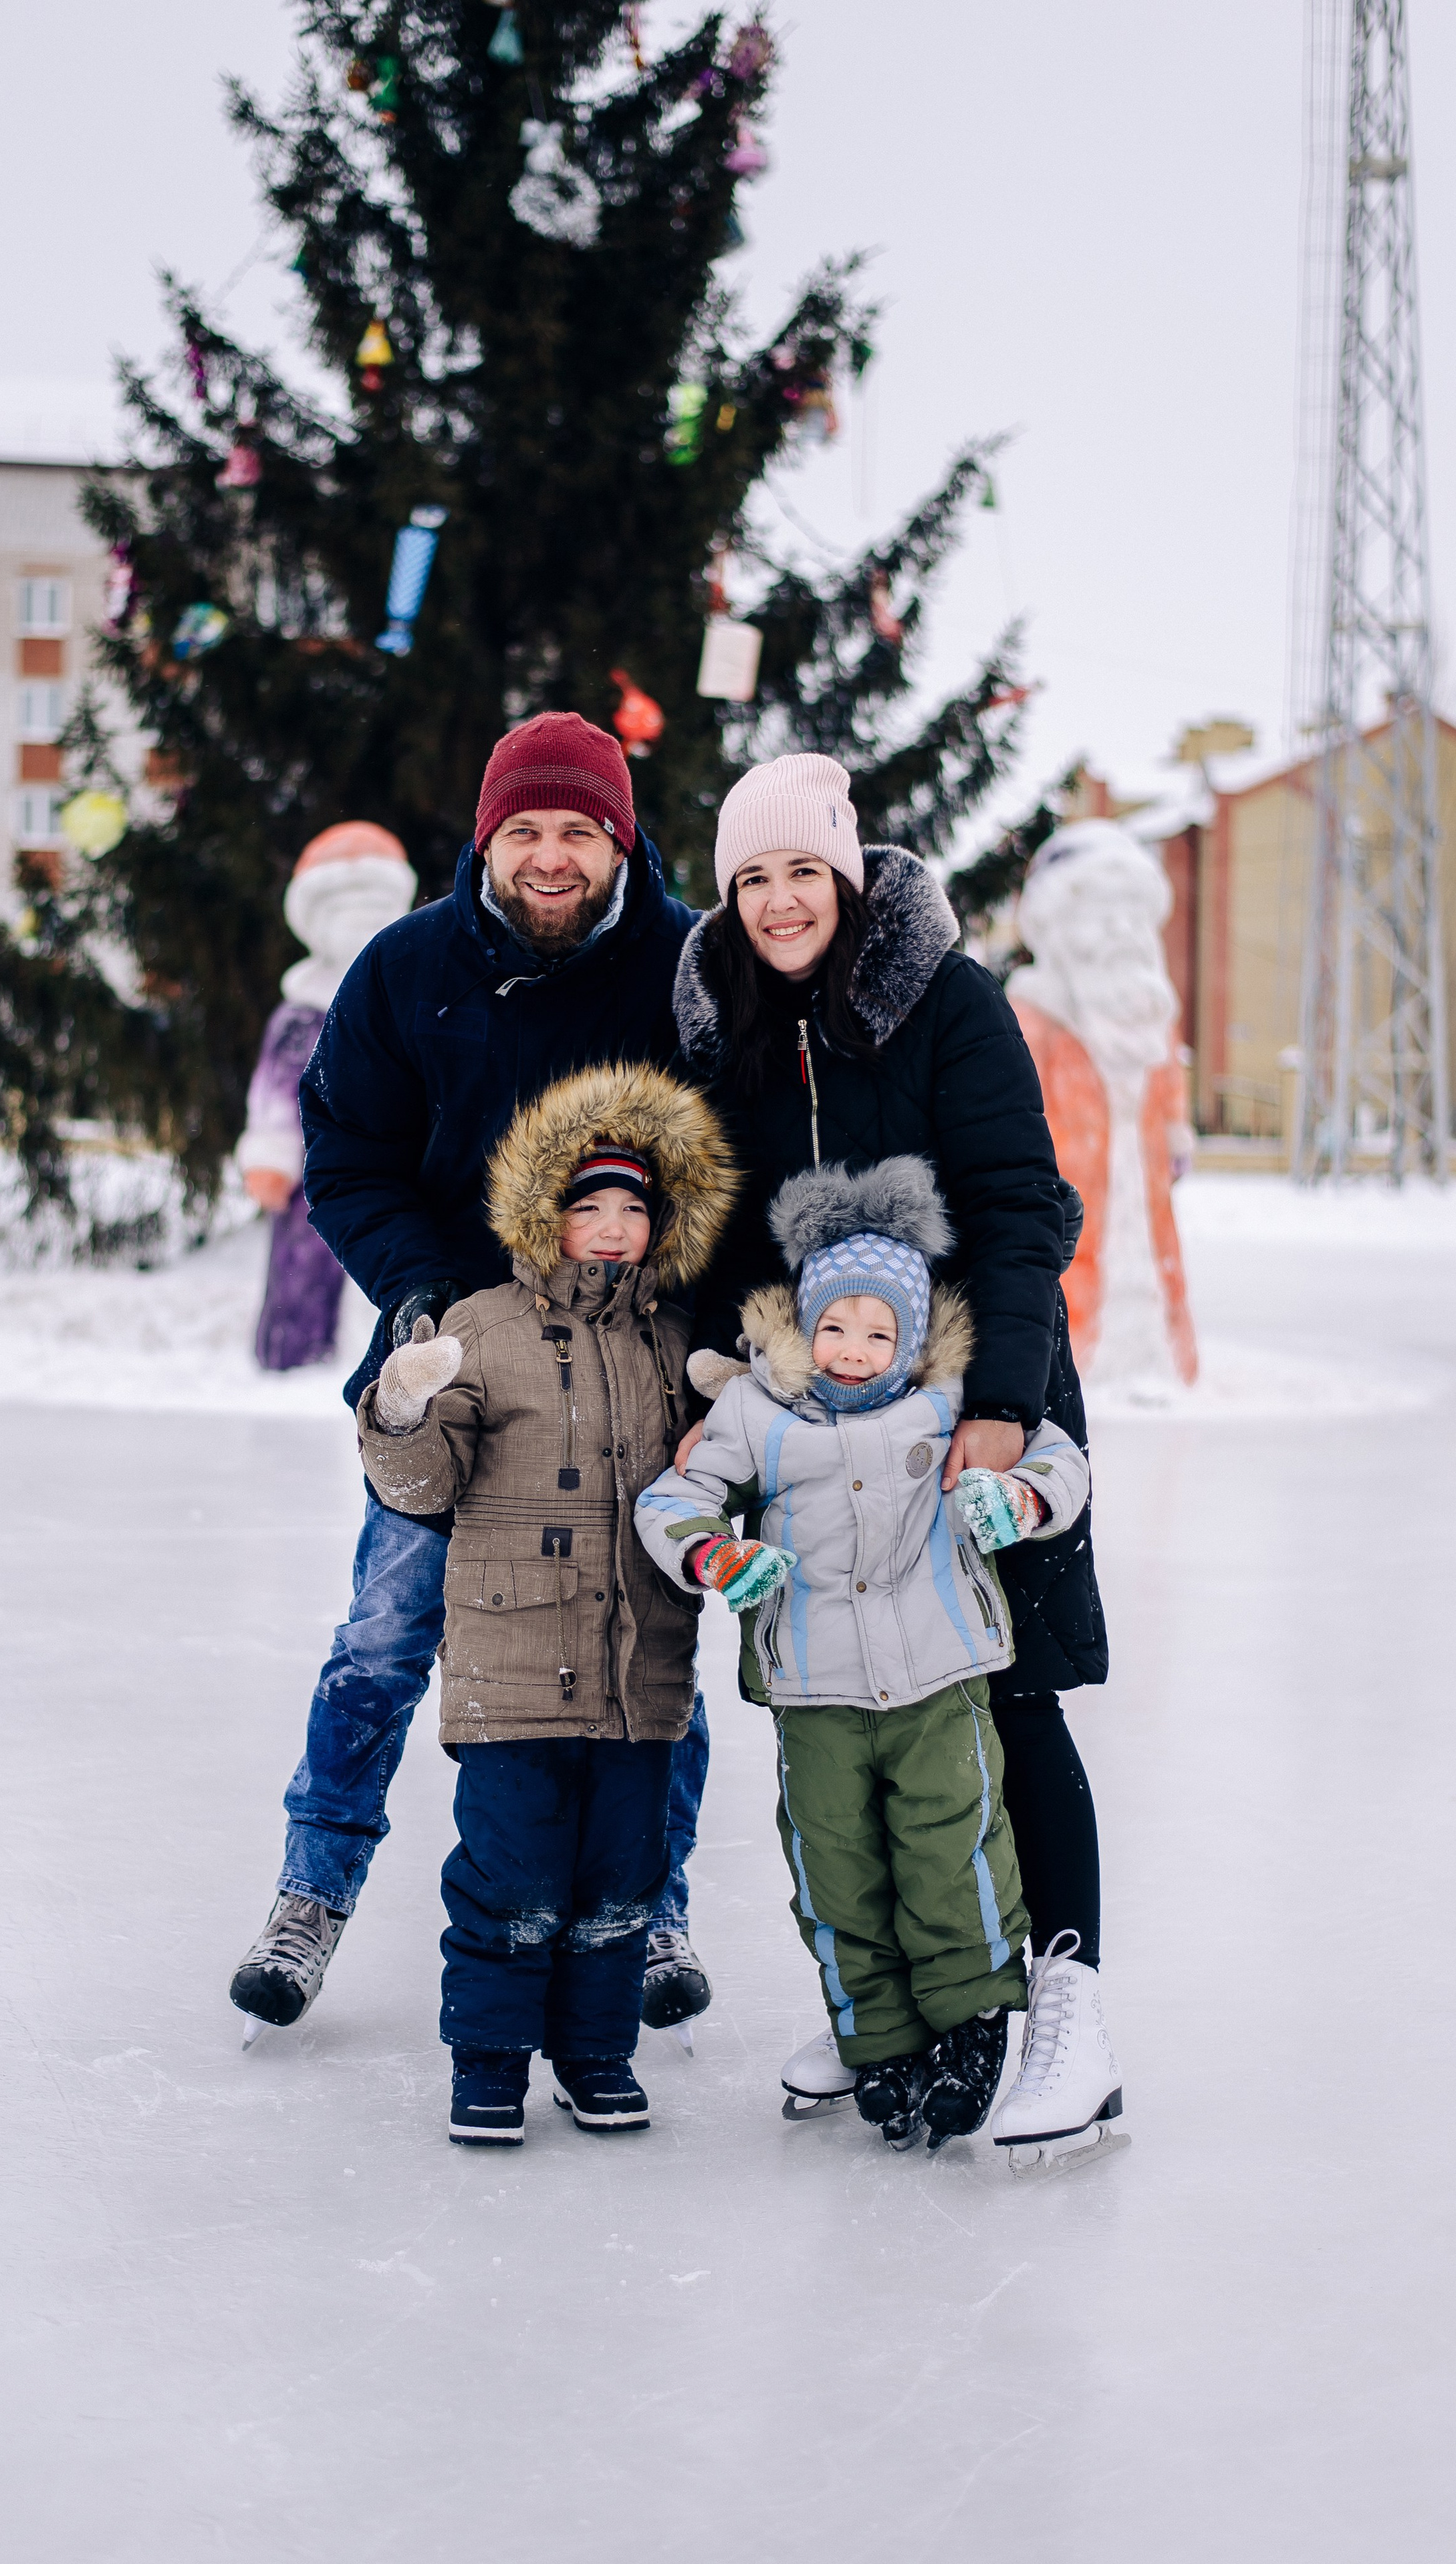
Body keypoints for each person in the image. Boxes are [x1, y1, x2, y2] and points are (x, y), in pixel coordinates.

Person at [229, 713, 716, 2037]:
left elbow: (732, 1155)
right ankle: (310, 1890)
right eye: (525, 831)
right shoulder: (404, 970)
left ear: (617, 837)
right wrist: (416, 1294)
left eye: (576, 831)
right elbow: (348, 1152)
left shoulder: (686, 969)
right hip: (454, 1368)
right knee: (386, 1634)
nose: (548, 857)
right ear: (486, 839)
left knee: (644, 1646)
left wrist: (695, 1327)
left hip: (629, 1375)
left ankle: (653, 1905)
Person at [670, 751, 1120, 2151]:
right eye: (752, 877)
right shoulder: (721, 1023)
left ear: (849, 877)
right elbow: (718, 1222)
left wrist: (1002, 1400)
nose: (779, 899)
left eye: (803, 870)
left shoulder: (944, 1001)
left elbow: (1019, 1208)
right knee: (858, 1716)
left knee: (1007, 1691)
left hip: (975, 1404)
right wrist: (715, 1376)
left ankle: (1064, 2004)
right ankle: (925, 2005)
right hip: (819, 1428)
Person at [635, 1158, 1095, 2149]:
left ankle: (969, 2025)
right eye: (835, 1327)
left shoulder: (945, 1404)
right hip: (815, 1688)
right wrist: (714, 1551)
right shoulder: (756, 1410)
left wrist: (1017, 1497)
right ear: (804, 1325)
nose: (854, 1350)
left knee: (953, 1850)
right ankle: (878, 2033)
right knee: (835, 1863)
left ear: (915, 1338)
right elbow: (670, 1500)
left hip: (938, 1676)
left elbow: (1059, 1457)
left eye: (880, 1331)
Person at [356, 1063, 734, 2143]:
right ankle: (487, 2062)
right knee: (512, 1881)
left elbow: (717, 1480)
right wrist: (404, 1407)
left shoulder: (675, 1340)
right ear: (545, 1215)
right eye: (589, 1207)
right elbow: (422, 1489)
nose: (612, 1228)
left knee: (622, 1879)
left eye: (633, 1209)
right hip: (512, 1672)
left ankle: (596, 2056)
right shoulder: (481, 1326)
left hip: (639, 1672)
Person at [1007, 819, 1197, 1391]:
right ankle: (1071, 1370)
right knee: (1068, 1281)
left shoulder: (1146, 1015)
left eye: (1130, 914)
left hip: (1144, 1198)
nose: (1119, 930)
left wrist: (1176, 1131)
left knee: (1153, 1267)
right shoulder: (1032, 1017)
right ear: (1057, 925)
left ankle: (1160, 1361)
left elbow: (1168, 1082)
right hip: (1063, 1204)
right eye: (1100, 914)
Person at [237, 822, 418, 1371]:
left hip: (399, 1160)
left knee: (410, 1262)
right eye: (348, 914)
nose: (364, 926)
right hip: (318, 1166)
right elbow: (276, 1088)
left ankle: (409, 1365)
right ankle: (294, 1355)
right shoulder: (303, 1013)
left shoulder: (407, 1003)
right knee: (303, 1258)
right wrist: (271, 1151)